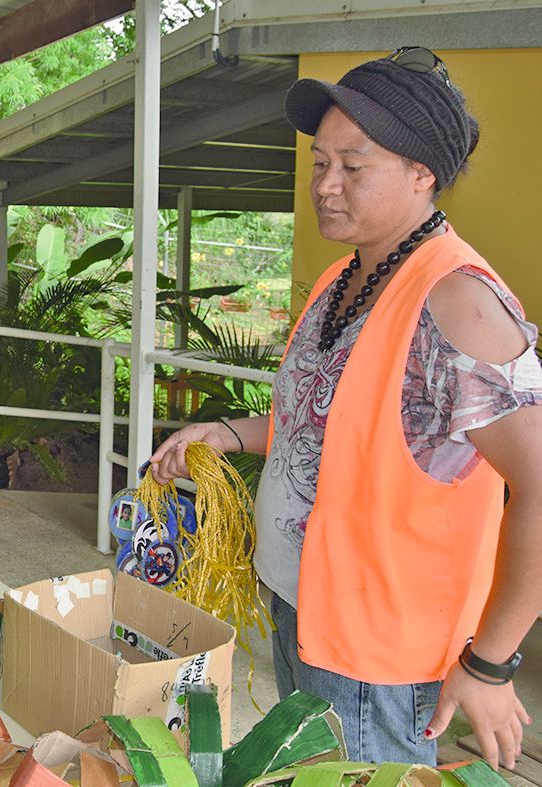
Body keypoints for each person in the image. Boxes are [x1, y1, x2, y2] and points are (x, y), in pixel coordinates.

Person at [148, 47, 540, 767]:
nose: (324, 186)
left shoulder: (456, 303)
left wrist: (491, 662)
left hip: (379, 656)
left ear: (423, 174)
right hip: (303, 611)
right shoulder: (344, 276)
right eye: (318, 162)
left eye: (352, 167)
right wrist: (231, 433)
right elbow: (337, 425)